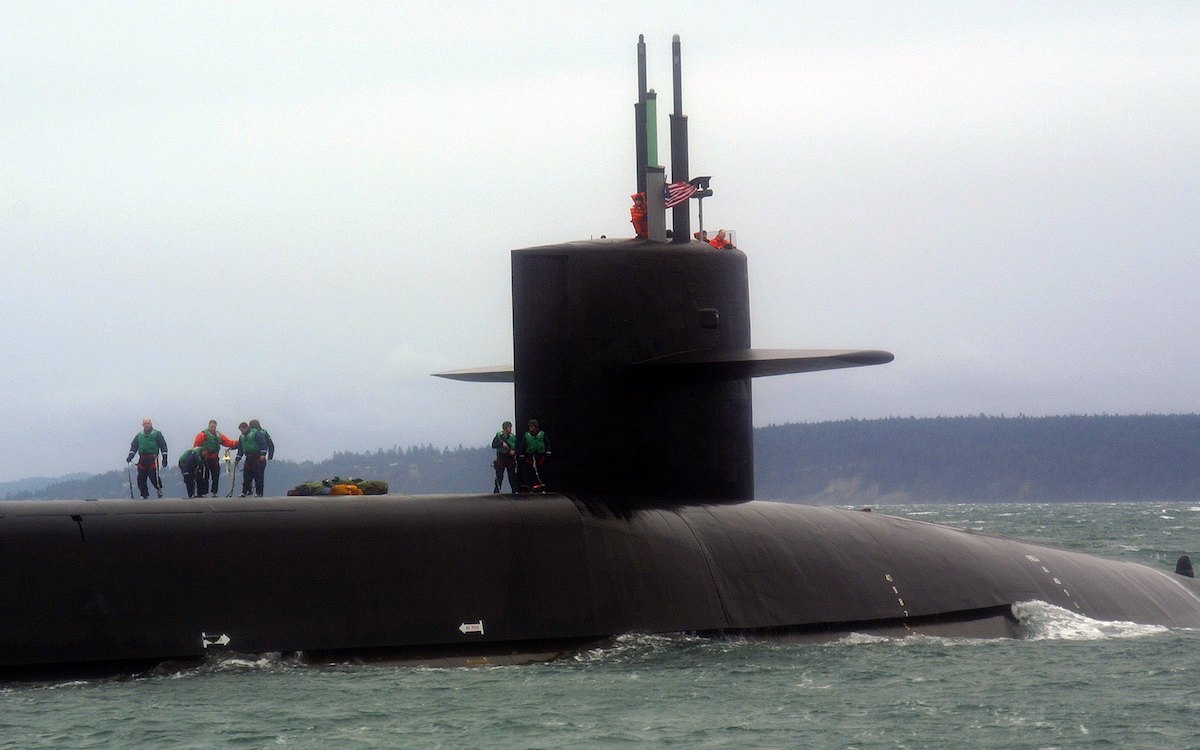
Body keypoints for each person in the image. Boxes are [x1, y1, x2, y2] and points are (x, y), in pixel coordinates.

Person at [193, 420, 239, 498]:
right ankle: (203, 492)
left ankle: (214, 492)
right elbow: (196, 446)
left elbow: (228, 442)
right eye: (211, 427)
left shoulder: (218, 435)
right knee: (205, 476)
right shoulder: (203, 434)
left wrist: (237, 443)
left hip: (214, 459)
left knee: (216, 476)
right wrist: (198, 457)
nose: (213, 428)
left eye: (214, 427)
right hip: (205, 458)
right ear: (209, 426)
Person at [126, 417, 167, 499]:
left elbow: (163, 446)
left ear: (151, 424)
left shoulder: (157, 434)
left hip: (152, 459)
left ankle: (159, 488)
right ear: (142, 425)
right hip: (142, 459)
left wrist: (165, 458)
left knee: (153, 476)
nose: (147, 425)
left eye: (148, 423)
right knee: (141, 478)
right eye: (145, 424)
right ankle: (144, 494)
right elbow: (134, 446)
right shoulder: (139, 435)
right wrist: (130, 456)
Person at [236, 419, 275, 497]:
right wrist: (237, 459)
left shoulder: (260, 433)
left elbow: (266, 444)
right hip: (249, 456)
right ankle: (246, 491)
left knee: (258, 475)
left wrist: (265, 455)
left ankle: (259, 492)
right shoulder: (242, 437)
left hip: (257, 457)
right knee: (247, 475)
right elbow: (240, 448)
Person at [517, 418, 549, 492]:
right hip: (529, 456)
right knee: (530, 471)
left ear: (536, 426)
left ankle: (542, 486)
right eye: (530, 426)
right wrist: (521, 454)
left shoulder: (542, 434)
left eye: (532, 426)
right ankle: (533, 485)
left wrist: (548, 451)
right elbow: (523, 445)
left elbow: (546, 443)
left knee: (541, 470)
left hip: (540, 456)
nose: (530, 427)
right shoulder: (526, 435)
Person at [491, 421, 517, 493]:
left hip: (510, 458)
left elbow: (518, 446)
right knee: (499, 476)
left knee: (512, 476)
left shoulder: (513, 437)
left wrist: (514, 451)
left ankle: (515, 491)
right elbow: (493, 445)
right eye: (509, 427)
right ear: (505, 428)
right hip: (501, 458)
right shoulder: (499, 436)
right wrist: (501, 444)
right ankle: (497, 491)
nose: (510, 429)